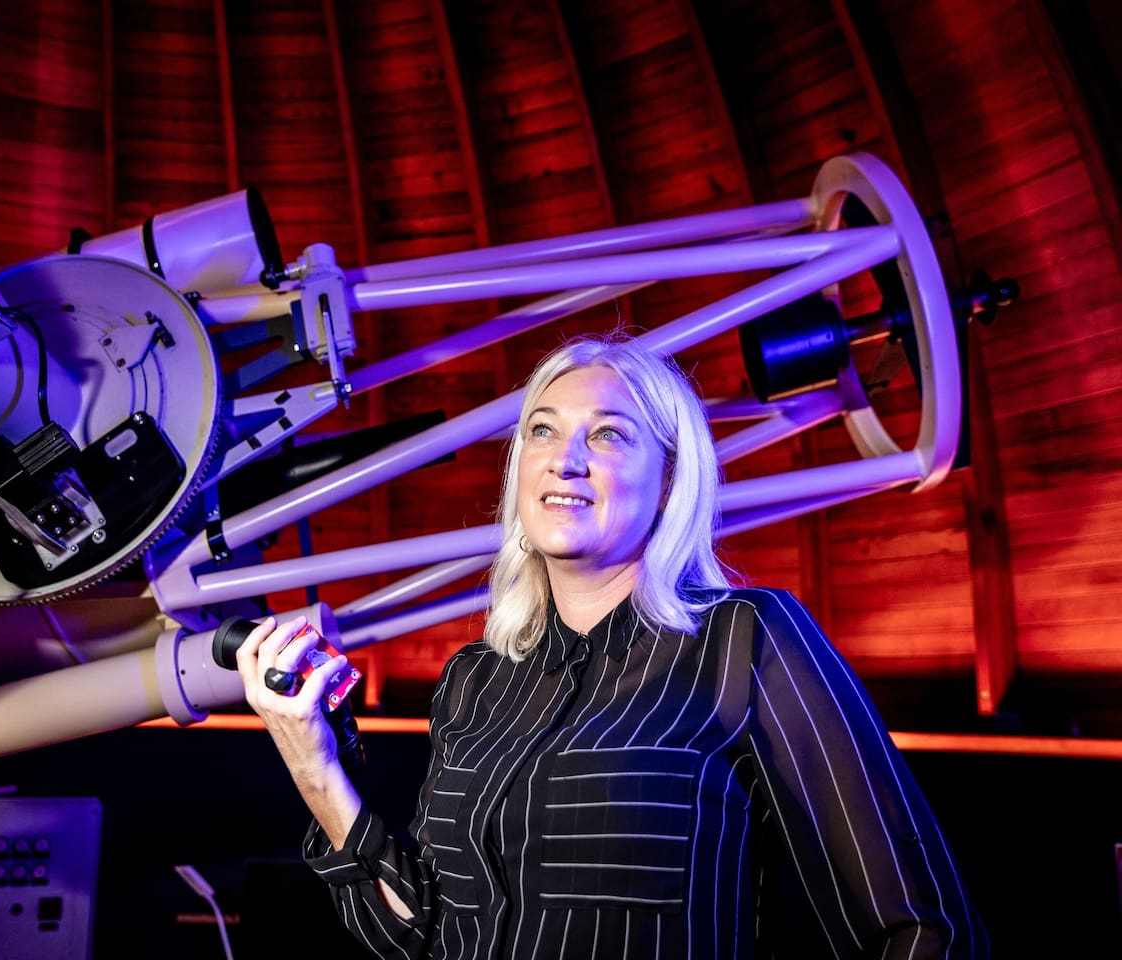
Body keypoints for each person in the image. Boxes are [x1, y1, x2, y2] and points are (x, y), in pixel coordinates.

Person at [232, 331, 988, 958]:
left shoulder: (745, 640)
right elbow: (417, 937)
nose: (565, 458)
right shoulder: (473, 681)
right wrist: (312, 760)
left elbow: (921, 927)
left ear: (668, 482)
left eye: (608, 434)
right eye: (542, 429)